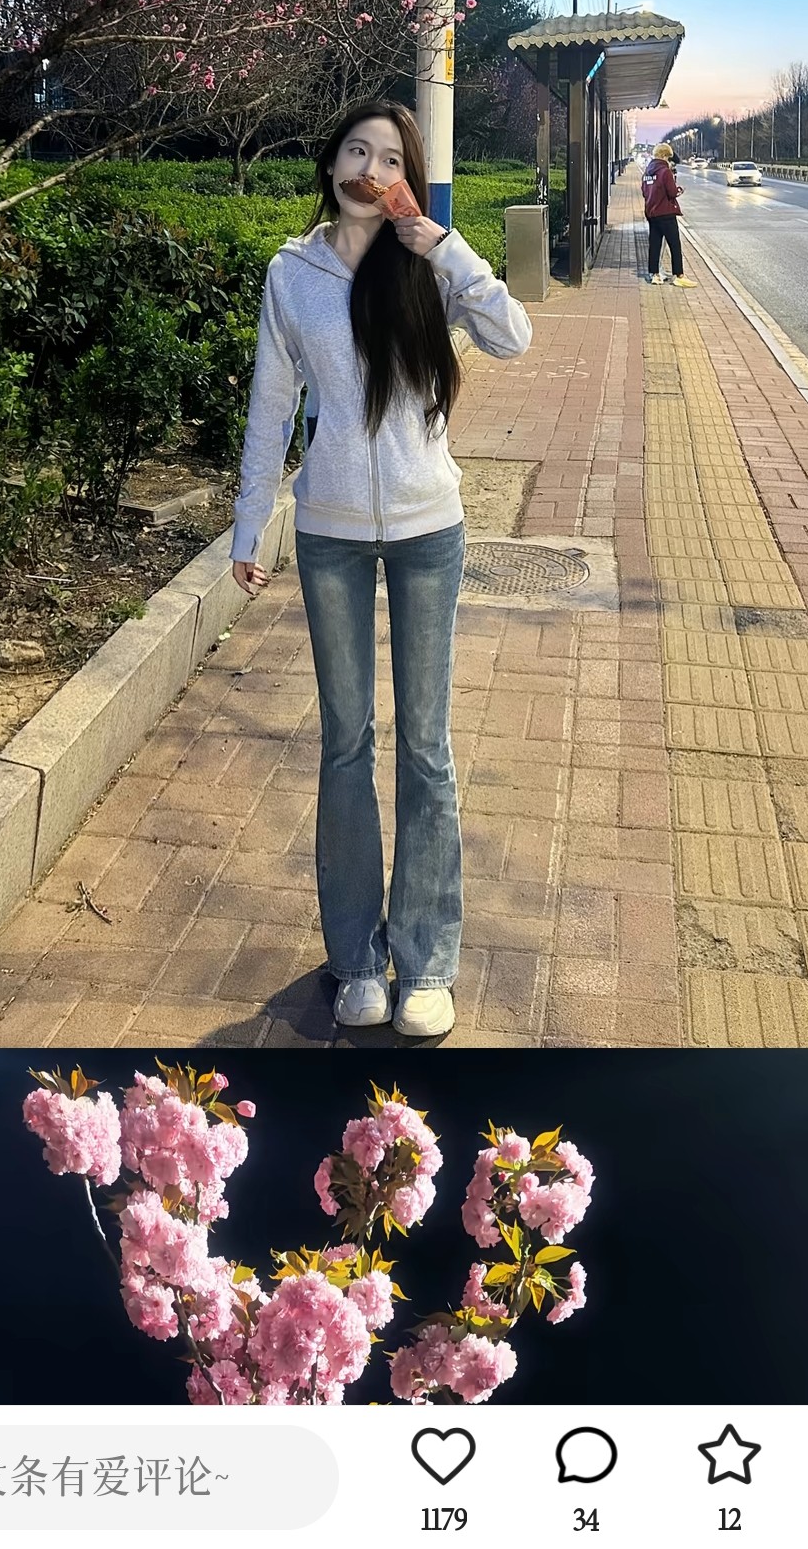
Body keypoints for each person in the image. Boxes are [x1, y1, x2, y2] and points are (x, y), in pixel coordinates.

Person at [230, 102, 533, 1039]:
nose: (372, 168)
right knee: (346, 743)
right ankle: (358, 959)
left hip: (427, 527)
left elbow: (514, 334)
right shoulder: (291, 273)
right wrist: (250, 524)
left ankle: (427, 960)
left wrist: (443, 244)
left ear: (409, 174)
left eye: (392, 157)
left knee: (426, 747)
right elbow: (271, 404)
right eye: (358, 151)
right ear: (332, 166)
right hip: (328, 531)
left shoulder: (426, 265)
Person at [641, 141, 697, 287]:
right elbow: (671, 192)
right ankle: (679, 275)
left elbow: (644, 192)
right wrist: (679, 190)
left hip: (652, 213)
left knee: (655, 244)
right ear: (665, 156)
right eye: (668, 157)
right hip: (666, 213)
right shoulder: (665, 172)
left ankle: (655, 275)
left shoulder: (647, 172)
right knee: (674, 245)